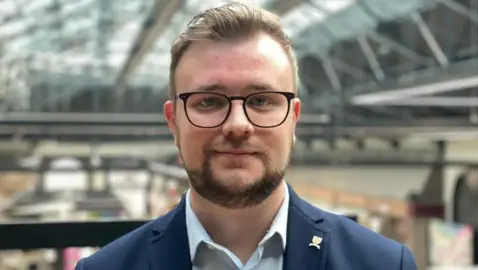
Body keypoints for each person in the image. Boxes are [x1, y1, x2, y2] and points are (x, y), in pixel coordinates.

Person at [75, 3, 417, 270]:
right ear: (173, 121)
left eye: (261, 101)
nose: (238, 125)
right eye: (208, 101)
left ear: (293, 119)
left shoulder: (382, 264)